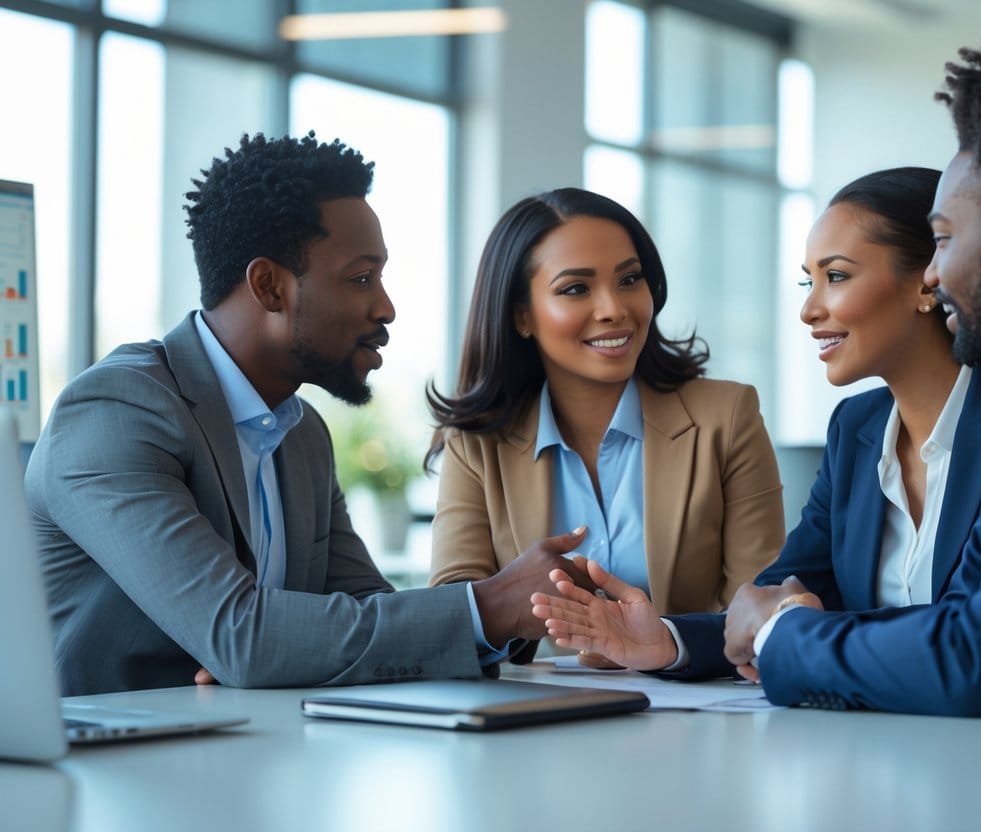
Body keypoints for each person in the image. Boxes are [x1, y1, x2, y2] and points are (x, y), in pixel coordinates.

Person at [537, 25, 981, 715]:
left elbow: (975, 655)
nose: (937, 269)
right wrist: (711, 637)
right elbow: (946, 620)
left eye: (945, 238)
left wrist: (780, 631)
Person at [25, 132, 589, 696]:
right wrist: (488, 606)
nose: (385, 306)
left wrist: (511, 610)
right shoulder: (116, 413)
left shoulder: (301, 433)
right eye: (361, 278)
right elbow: (244, 638)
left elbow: (365, 608)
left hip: (238, 752)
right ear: (270, 286)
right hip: (94, 769)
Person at [529, 167, 981, 679]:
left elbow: (972, 627)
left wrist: (791, 629)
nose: (809, 309)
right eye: (810, 281)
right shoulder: (857, 429)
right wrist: (667, 642)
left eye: (837, 276)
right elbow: (773, 597)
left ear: (928, 279)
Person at [426, 187, 785, 661]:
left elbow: (760, 613)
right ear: (521, 315)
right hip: (532, 716)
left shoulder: (727, 418)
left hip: (696, 716)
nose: (614, 308)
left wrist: (661, 646)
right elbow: (453, 620)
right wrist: (518, 601)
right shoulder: (476, 444)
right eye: (576, 288)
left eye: (630, 280)